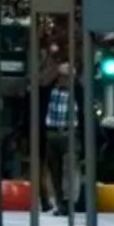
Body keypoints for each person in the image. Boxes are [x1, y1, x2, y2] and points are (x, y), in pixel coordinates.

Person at [41, 65, 76, 216]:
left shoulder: (76, 93)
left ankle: (68, 202)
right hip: (52, 133)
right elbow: (42, 84)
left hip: (69, 133)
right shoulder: (51, 91)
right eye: (62, 76)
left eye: (67, 77)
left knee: (68, 169)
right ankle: (60, 203)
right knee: (54, 171)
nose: (64, 79)